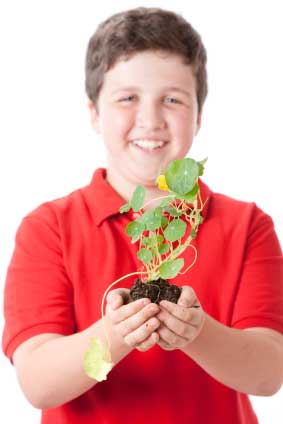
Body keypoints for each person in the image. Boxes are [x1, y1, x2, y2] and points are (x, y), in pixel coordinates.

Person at [2, 6, 283, 424]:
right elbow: (38, 382)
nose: (150, 120)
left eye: (172, 99)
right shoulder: (49, 229)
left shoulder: (246, 226)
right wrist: (115, 334)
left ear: (199, 116)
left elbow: (269, 373)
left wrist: (197, 331)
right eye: (127, 98)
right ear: (95, 113)